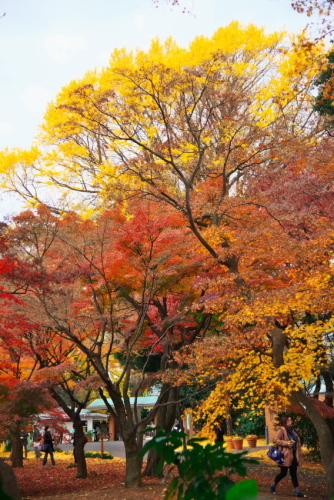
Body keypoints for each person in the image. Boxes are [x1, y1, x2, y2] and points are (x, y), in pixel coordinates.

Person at [270, 416, 307, 497]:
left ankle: (297, 492)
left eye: (291, 419)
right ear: (285, 421)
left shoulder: (292, 430)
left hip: (294, 455)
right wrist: (286, 443)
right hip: (285, 456)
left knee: (293, 474)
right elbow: (276, 440)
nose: (291, 421)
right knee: (283, 473)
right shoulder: (281, 430)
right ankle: (273, 485)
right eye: (289, 420)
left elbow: (297, 440)